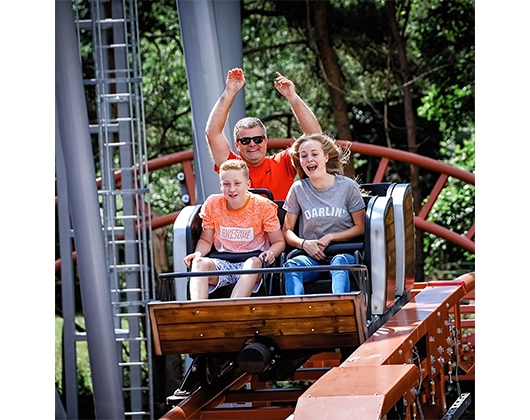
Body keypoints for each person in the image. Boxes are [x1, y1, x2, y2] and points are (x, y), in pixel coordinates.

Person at [205, 67, 322, 200]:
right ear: (237, 145)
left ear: (265, 141)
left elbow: (314, 137)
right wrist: (229, 92)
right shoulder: (232, 165)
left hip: (280, 220)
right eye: (245, 141)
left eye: (258, 139)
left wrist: (292, 96)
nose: (252, 144)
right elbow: (212, 134)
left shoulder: (282, 162)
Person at [183, 159, 286, 300]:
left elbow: (279, 242)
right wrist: (198, 254)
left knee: (253, 263)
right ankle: (198, 311)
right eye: (226, 184)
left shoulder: (263, 206)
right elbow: (206, 240)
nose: (232, 189)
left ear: (247, 185)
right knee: (198, 263)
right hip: (222, 263)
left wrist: (270, 253)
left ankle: (232, 307)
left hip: (251, 264)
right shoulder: (212, 204)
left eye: (237, 183)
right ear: (220, 186)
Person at [281, 133, 366, 295]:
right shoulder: (298, 189)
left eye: (314, 154)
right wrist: (304, 244)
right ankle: (295, 315)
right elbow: (287, 230)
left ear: (326, 157)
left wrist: (331, 237)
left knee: (339, 263)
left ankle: (338, 311)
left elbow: (360, 227)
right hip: (311, 257)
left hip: (343, 253)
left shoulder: (347, 187)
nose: (309, 159)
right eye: (304, 156)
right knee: (291, 266)